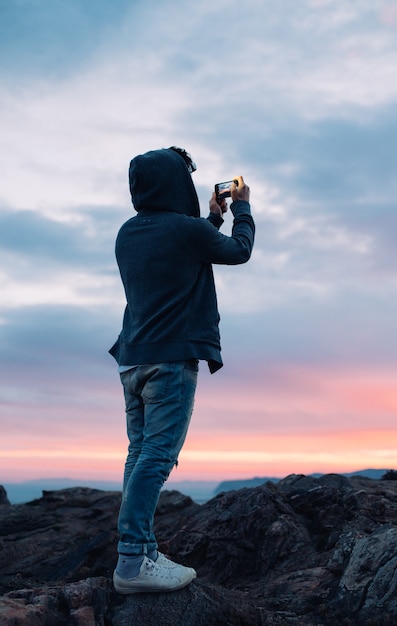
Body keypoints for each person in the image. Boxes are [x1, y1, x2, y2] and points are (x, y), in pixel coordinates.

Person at [109, 146, 255, 594]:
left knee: (140, 454)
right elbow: (238, 251)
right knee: (158, 457)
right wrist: (242, 206)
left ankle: (144, 550)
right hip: (170, 362)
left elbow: (183, 253)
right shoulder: (186, 229)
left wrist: (208, 219)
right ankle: (133, 561)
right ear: (177, 184)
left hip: (133, 360)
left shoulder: (128, 233)